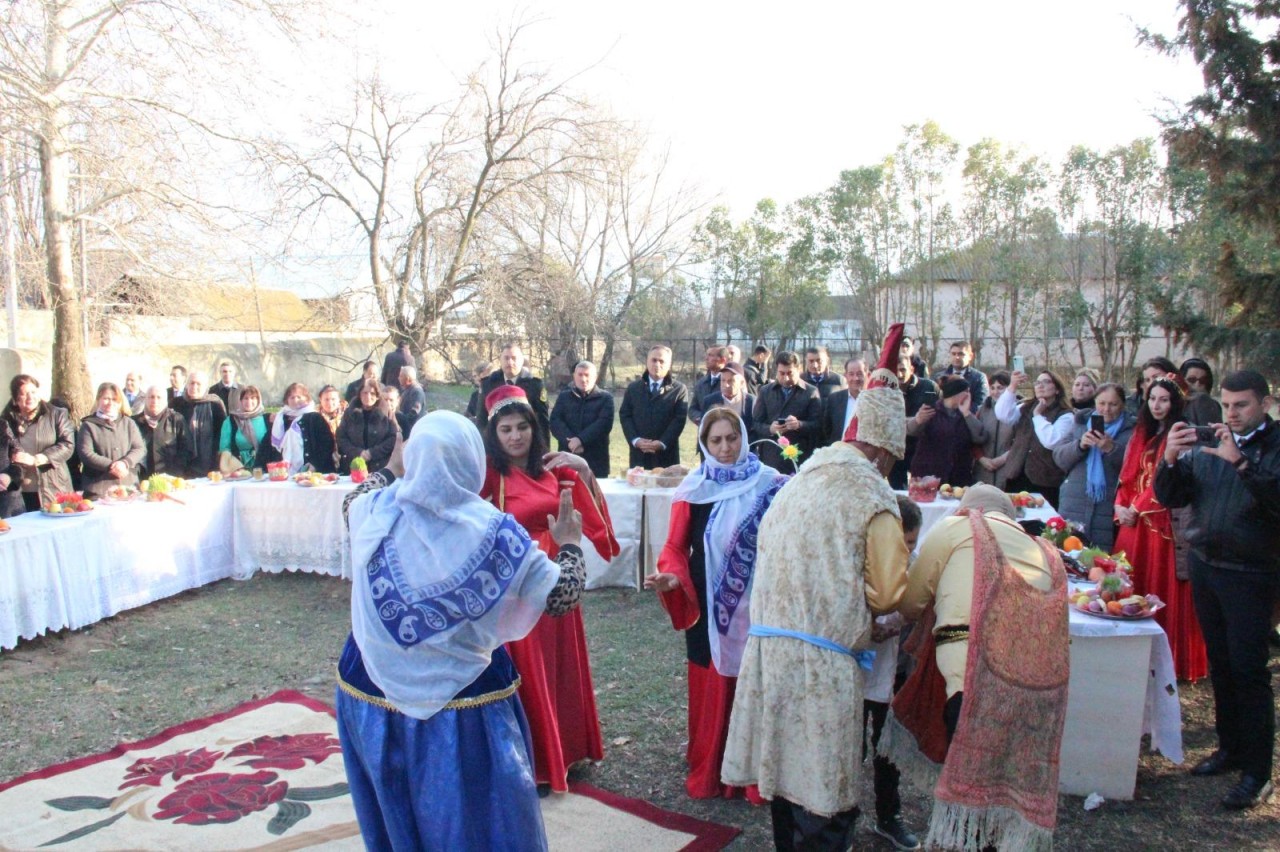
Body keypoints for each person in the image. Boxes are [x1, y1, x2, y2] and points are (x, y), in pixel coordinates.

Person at [337, 410, 587, 850]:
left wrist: (392, 469)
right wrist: (568, 543)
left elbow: (351, 499)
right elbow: (562, 595)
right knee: (471, 817)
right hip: (460, 700)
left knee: (397, 807)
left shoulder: (375, 509)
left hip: (368, 684)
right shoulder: (496, 534)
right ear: (473, 459)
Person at [722, 324, 910, 851]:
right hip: (824, 663)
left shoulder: (804, 478)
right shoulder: (872, 492)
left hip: (770, 654)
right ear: (883, 450)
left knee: (784, 782)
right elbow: (891, 594)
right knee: (824, 791)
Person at [887, 485, 1070, 851]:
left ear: (966, 509)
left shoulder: (958, 528)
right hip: (1037, 694)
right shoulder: (1049, 553)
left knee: (970, 781)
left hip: (974, 681)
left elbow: (910, 602)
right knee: (1007, 789)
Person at [479, 385, 619, 793]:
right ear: (494, 433)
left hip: (560, 573)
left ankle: (567, 749)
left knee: (559, 659)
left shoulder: (554, 469)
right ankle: (535, 756)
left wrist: (584, 466)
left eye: (522, 427)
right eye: (506, 429)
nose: (515, 437)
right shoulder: (489, 474)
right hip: (517, 577)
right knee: (528, 662)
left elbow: (589, 510)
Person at [645, 408, 788, 801]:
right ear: (704, 446)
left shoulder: (771, 484)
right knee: (713, 684)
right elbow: (674, 547)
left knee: (754, 683)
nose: (725, 448)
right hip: (708, 604)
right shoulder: (694, 489)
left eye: (731, 438)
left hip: (761, 606)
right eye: (716, 441)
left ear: (743, 437)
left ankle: (754, 772)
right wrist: (673, 577)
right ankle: (714, 764)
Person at [1155, 370, 1280, 810]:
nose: (1231, 413)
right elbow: (1171, 495)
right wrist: (1169, 459)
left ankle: (1258, 772)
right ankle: (1231, 749)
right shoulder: (1210, 443)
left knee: (1249, 670)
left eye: (1241, 405)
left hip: (1253, 573)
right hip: (1208, 566)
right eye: (1226, 405)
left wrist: (1241, 462)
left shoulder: (1274, 445)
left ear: (1264, 404)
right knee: (1221, 666)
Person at [1115, 376, 1207, 682]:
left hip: (1160, 523)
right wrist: (1120, 506)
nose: (1157, 405)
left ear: (1175, 402)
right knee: (1129, 582)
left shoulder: (1180, 435)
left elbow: (1166, 481)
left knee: (1159, 584)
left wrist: (1136, 508)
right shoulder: (1141, 432)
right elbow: (1128, 476)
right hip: (1132, 522)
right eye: (1152, 398)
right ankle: (1127, 652)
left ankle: (1167, 661)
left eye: (1164, 399)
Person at [861, 495, 923, 851]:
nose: (905, 550)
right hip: (857, 666)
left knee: (888, 747)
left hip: (895, 671)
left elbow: (919, 603)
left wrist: (899, 620)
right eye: (899, 542)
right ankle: (842, 812)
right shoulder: (863, 561)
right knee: (851, 746)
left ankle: (889, 816)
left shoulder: (916, 566)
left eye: (911, 543)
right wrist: (866, 626)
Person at [1052, 382, 1134, 551]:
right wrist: (1080, 446)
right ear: (1094, 402)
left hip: (1109, 503)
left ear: (1122, 405)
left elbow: (1134, 467)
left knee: (1101, 558)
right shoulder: (1081, 424)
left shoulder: (1132, 430)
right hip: (1075, 500)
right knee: (1069, 552)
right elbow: (1059, 458)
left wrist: (1111, 449)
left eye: (1113, 404)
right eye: (1102, 403)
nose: (1106, 409)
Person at [995, 369, 1073, 508]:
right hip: (1017, 474)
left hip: (1045, 479)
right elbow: (1002, 414)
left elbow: (1051, 441)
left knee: (1040, 524)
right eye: (1037, 382)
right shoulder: (1025, 407)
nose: (1040, 385)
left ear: (1057, 389)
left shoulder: (1066, 414)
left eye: (1046, 382)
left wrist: (1038, 415)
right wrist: (1012, 386)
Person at [2, 375, 75, 512]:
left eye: (33, 392)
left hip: (54, 488)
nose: (30, 397)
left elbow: (68, 445)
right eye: (24, 394)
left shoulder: (56, 414)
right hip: (18, 492)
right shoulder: (6, 421)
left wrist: (37, 459)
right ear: (15, 399)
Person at [750, 350, 822, 473]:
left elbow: (819, 425)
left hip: (800, 458)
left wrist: (799, 424)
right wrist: (770, 429)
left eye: (790, 373)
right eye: (781, 373)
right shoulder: (766, 391)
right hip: (771, 457)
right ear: (776, 371)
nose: (786, 378)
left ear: (798, 369)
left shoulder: (811, 392)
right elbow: (755, 423)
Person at [619, 345, 689, 469]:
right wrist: (636, 440)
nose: (657, 364)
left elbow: (679, 420)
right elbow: (625, 416)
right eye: (654, 360)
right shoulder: (633, 388)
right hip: (639, 454)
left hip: (666, 455)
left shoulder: (679, 389)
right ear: (647, 361)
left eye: (662, 361)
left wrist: (662, 443)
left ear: (669, 364)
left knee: (665, 487)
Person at [907, 375, 985, 486]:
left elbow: (980, 436)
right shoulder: (932, 411)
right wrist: (918, 420)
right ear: (956, 393)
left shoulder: (966, 413)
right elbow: (911, 430)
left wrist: (967, 413)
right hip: (929, 475)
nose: (969, 395)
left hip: (958, 477)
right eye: (966, 391)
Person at [77, 382, 146, 499]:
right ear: (98, 399)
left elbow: (139, 448)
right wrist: (111, 466)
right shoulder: (88, 425)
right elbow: (86, 453)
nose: (110, 403)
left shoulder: (128, 423)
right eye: (106, 399)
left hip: (128, 486)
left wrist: (125, 463)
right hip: (98, 488)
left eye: (114, 399)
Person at [548, 360, 614, 478]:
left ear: (595, 377)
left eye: (587, 375)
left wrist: (581, 440)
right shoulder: (564, 397)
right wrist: (571, 443)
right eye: (580, 375)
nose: (583, 379)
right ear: (574, 376)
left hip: (596, 461)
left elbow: (604, 424)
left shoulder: (605, 398)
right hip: (568, 457)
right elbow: (555, 421)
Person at [477, 343, 550, 443]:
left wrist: (544, 452)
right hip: (496, 443)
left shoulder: (535, 384)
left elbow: (543, 421)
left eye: (514, 358)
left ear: (521, 361)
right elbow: (481, 419)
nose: (510, 362)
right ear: (500, 361)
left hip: (525, 442)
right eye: (506, 358)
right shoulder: (488, 384)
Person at [890, 353, 940, 490]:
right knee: (898, 492)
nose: (899, 375)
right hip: (897, 450)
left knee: (924, 490)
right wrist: (915, 420)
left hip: (923, 448)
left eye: (903, 370)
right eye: (895, 371)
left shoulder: (929, 387)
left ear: (911, 369)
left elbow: (942, 413)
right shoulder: (886, 390)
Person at [338, 380, 398, 473]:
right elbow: (341, 437)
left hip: (380, 467)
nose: (368, 396)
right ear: (359, 394)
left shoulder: (387, 413)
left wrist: (372, 453)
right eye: (365, 393)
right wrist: (358, 453)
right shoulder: (349, 413)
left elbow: (394, 438)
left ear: (378, 396)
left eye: (372, 393)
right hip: (354, 467)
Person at [174, 371, 227, 477]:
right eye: (192, 383)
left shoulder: (215, 404)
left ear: (206, 387)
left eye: (198, 384)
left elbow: (221, 435)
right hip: (181, 462)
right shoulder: (176, 404)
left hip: (209, 462)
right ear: (186, 385)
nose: (194, 386)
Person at [134, 385, 193, 479]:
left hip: (170, 478)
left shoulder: (176, 419)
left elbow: (186, 449)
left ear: (165, 400)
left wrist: (175, 474)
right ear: (145, 399)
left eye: (159, 397)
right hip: (141, 479)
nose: (155, 401)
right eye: (151, 397)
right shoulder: (134, 422)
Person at [256, 383, 313, 471]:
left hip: (309, 470)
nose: (295, 400)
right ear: (287, 401)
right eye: (292, 397)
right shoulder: (280, 419)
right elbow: (267, 444)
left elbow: (324, 444)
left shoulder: (314, 417)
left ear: (306, 398)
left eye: (299, 397)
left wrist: (315, 465)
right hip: (281, 471)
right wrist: (259, 466)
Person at [974, 371, 1016, 489]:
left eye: (1000, 388)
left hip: (1007, 469)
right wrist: (981, 458)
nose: (995, 392)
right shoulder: (983, 409)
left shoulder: (1019, 409)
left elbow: (1020, 442)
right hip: (983, 469)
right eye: (992, 388)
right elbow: (975, 436)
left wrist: (1002, 459)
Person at [218, 385, 268, 469]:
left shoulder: (266, 420)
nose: (249, 401)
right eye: (246, 398)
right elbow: (224, 448)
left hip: (262, 467)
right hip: (237, 468)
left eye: (253, 398)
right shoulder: (231, 421)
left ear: (258, 400)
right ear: (240, 401)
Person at [820, 357, 866, 448]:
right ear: (845, 376)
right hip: (839, 453)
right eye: (851, 374)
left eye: (859, 374)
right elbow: (826, 429)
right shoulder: (834, 399)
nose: (856, 378)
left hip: (865, 455)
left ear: (867, 374)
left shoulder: (874, 402)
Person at [931, 341, 988, 414]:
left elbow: (980, 404)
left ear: (970, 356)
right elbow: (933, 401)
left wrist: (960, 414)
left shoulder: (978, 378)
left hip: (967, 420)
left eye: (961, 354)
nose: (956, 357)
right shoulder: (938, 377)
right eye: (953, 354)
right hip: (943, 420)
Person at [298, 385, 344, 474]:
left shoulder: (347, 416)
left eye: (333, 399)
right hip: (322, 463)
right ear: (320, 399)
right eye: (326, 399)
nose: (330, 403)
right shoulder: (313, 418)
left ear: (339, 400)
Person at [687, 345, 728, 425]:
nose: (706, 358)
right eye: (707, 355)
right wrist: (701, 418)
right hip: (704, 432)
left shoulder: (729, 384)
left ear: (722, 360)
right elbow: (692, 409)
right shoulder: (701, 383)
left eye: (711, 355)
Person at [1180, 357, 1223, 426]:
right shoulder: (1173, 403)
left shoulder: (1205, 402)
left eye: (1202, 381)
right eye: (1192, 380)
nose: (1197, 384)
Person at [397, 367, 427, 435]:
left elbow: (414, 414)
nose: (398, 378)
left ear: (407, 379)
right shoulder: (407, 389)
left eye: (401, 376)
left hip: (413, 430)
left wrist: (400, 418)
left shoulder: (417, 392)